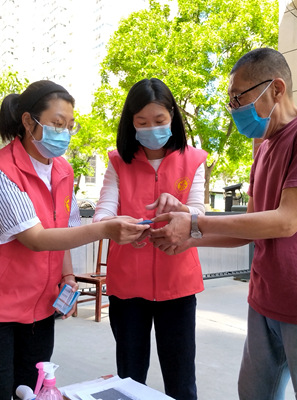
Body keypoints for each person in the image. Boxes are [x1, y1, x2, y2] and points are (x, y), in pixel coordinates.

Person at [150, 47, 297, 399]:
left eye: (239, 98)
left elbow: (286, 222)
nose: (234, 109)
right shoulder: (263, 148)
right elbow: (250, 226)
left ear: (276, 89)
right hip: (266, 300)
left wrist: (193, 222)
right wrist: (191, 238)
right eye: (231, 100)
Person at [0, 80, 148, 400]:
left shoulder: (63, 170)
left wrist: (67, 277)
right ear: (29, 121)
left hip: (38, 308)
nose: (65, 133)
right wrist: (106, 229)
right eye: (57, 124)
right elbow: (36, 238)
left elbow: (64, 231)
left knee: (35, 391)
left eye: (70, 125)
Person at [93, 78, 207, 400]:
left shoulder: (194, 159)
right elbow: (102, 215)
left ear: (173, 117)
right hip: (128, 286)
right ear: (131, 123)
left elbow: (199, 216)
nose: (151, 129)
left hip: (178, 284)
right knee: (129, 378)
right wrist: (116, 225)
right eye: (142, 122)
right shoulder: (117, 162)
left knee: (181, 379)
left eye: (159, 121)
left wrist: (182, 209)